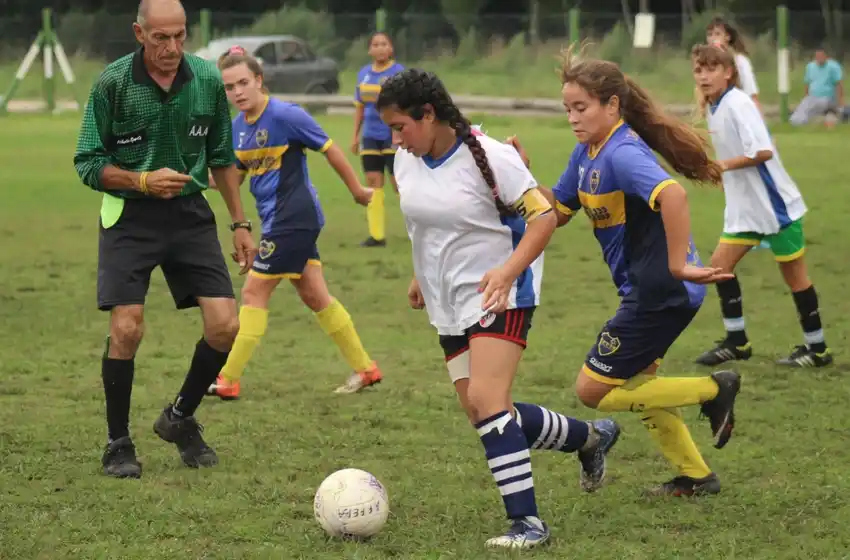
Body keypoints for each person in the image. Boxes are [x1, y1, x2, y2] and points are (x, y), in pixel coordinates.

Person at [377, 68, 621, 550]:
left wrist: (508, 271)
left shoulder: (491, 157)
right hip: (447, 300)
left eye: (400, 126)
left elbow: (545, 217)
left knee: (489, 403)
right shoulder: (405, 160)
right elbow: (427, 223)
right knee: (485, 411)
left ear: (429, 115)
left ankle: (528, 525)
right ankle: (591, 438)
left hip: (501, 292)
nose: (395, 138)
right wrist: (419, 273)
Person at [510, 46, 742, 497]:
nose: (573, 118)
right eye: (568, 109)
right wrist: (519, 172)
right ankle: (697, 476)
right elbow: (554, 211)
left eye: (582, 108)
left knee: (592, 390)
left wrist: (678, 264)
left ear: (612, 105)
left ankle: (714, 391)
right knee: (639, 384)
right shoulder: (588, 153)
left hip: (660, 291)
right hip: (653, 290)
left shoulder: (620, 153)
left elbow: (672, 195)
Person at [73, 0, 256, 479]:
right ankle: (118, 442)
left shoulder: (207, 81)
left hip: (189, 214)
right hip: (130, 214)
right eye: (160, 38)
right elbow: (87, 162)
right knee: (127, 327)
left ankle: (179, 417)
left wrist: (240, 224)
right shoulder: (113, 83)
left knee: (225, 325)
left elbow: (221, 156)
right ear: (139, 33)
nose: (172, 47)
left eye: (179, 36)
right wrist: (141, 181)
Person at [206, 48, 382, 399]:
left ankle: (228, 379)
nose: (237, 92)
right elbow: (231, 179)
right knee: (315, 294)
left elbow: (330, 148)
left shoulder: (286, 115)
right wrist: (188, 174)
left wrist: (356, 190)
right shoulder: (237, 129)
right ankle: (365, 369)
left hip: (294, 217)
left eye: (243, 83)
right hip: (276, 220)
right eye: (229, 87)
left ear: (259, 80)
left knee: (254, 291)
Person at [691, 44, 832, 368]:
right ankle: (737, 341)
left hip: (774, 207)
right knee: (719, 268)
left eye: (711, 68)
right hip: (745, 211)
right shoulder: (714, 104)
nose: (704, 75)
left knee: (795, 278)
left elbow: (763, 152)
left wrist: (722, 166)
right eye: (699, 69)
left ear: (729, 72)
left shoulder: (738, 103)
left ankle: (817, 349)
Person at [352, 32, 405, 247]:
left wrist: (399, 132)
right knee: (374, 184)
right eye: (375, 44)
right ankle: (377, 235)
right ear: (369, 50)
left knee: (399, 184)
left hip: (392, 136)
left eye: (384, 44)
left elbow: (404, 105)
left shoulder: (398, 73)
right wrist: (355, 135)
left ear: (391, 49)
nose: (380, 48)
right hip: (370, 136)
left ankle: (419, 229)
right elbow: (360, 107)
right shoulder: (363, 74)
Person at [706, 17, 761, 112]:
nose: (713, 39)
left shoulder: (740, 61)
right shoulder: (707, 63)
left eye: (717, 34)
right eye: (710, 35)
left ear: (728, 37)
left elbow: (752, 94)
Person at [790, 47, 844, 126]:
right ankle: (795, 121)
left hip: (827, 97)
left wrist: (840, 102)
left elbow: (839, 84)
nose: (819, 58)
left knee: (816, 105)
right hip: (813, 96)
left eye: (821, 56)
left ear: (826, 56)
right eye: (817, 56)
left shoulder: (833, 67)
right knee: (804, 104)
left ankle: (803, 121)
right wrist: (806, 96)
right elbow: (807, 83)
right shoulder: (810, 66)